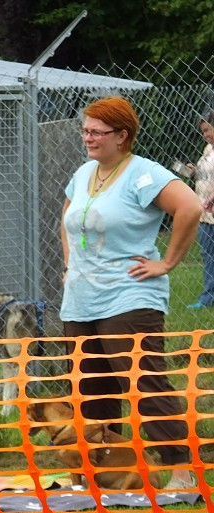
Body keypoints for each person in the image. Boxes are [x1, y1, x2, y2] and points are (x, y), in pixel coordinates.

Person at [59, 96, 201, 491]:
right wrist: (70, 265)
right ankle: (105, 471)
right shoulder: (85, 171)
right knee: (89, 387)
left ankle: (180, 472)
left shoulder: (143, 174)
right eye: (85, 130)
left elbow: (189, 207)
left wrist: (167, 262)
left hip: (129, 294)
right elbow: (68, 216)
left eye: (97, 132)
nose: (88, 138)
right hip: (81, 298)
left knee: (142, 383)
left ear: (122, 135)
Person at [183, 110, 214, 309]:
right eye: (203, 131)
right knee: (208, 255)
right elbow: (206, 177)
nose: (205, 135)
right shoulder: (207, 150)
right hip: (205, 212)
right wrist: (194, 171)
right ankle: (208, 297)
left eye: (208, 130)